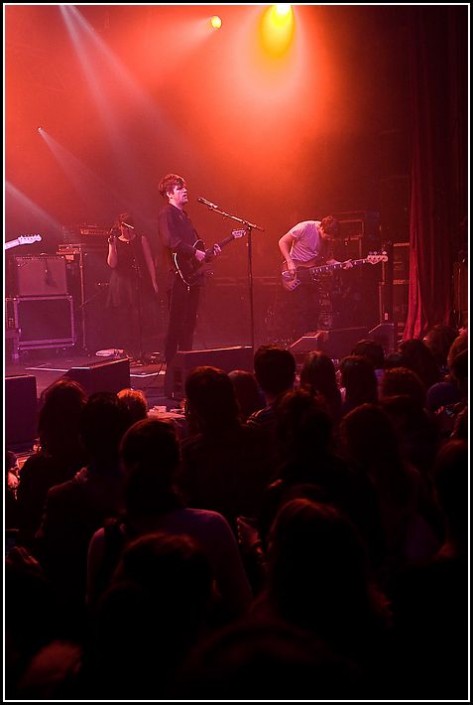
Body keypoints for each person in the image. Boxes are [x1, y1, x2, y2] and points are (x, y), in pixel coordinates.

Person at [158, 174, 221, 396]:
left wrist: (208, 254)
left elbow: (196, 248)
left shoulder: (186, 216)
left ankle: (186, 372)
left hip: (191, 277)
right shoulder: (167, 214)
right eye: (179, 188)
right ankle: (170, 378)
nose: (185, 190)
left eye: (185, 187)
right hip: (177, 277)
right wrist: (196, 252)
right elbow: (171, 242)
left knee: (189, 324)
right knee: (175, 325)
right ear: (169, 193)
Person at [278, 216, 352, 340]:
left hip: (310, 276)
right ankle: (299, 342)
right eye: (328, 236)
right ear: (321, 228)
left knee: (315, 309)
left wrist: (342, 265)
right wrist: (289, 261)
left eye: (332, 237)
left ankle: (310, 341)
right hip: (295, 272)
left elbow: (329, 260)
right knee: (301, 309)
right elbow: (282, 241)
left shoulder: (328, 241)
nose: (330, 239)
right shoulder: (305, 227)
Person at [106, 211, 159, 360]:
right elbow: (112, 264)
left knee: (139, 317)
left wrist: (154, 281)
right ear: (120, 226)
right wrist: (112, 246)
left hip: (137, 282)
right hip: (121, 284)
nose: (126, 230)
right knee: (124, 318)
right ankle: (128, 352)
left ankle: (141, 350)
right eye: (123, 227)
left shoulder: (141, 239)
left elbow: (149, 261)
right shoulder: (115, 240)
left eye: (128, 227)